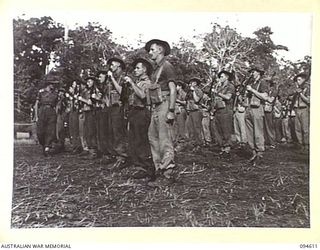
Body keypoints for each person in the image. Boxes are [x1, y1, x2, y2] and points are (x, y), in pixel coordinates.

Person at [145, 39, 177, 182]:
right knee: (153, 138)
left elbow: (172, 89)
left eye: (152, 49)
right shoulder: (156, 69)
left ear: (160, 50)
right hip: (156, 106)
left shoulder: (167, 66)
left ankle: (167, 171)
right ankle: (158, 168)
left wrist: (171, 110)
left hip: (164, 104)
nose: (150, 52)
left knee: (165, 140)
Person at [123, 58, 155, 180]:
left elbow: (142, 96)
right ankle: (139, 166)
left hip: (142, 112)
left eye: (138, 68)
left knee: (141, 140)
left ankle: (146, 167)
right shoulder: (138, 82)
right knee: (134, 140)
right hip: (134, 112)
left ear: (144, 69)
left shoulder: (147, 82)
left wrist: (131, 83)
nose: (135, 70)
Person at [244, 67, 269, 165]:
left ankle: (260, 154)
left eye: (253, 72)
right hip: (249, 108)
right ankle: (253, 152)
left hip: (257, 109)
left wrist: (252, 90)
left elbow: (265, 97)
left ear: (258, 73)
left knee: (258, 131)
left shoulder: (262, 83)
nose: (251, 74)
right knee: (249, 132)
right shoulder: (251, 83)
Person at [106, 57, 128, 168]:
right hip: (111, 108)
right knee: (112, 132)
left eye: (113, 64)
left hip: (120, 108)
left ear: (119, 65)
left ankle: (122, 157)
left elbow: (121, 91)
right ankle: (115, 155)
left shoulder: (123, 78)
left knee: (119, 132)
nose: (111, 67)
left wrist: (112, 79)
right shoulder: (111, 79)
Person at [34, 75, 59, 156]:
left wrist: (56, 114)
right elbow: (36, 104)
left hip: (51, 112)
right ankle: (44, 145)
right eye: (52, 84)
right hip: (42, 111)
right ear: (48, 84)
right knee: (40, 132)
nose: (53, 85)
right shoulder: (41, 92)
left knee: (50, 130)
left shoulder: (56, 93)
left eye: (54, 84)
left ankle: (47, 148)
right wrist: (36, 116)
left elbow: (57, 105)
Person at [212, 70, 235, 155]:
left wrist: (217, 93)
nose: (220, 78)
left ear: (226, 77)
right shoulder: (219, 86)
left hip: (226, 110)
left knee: (226, 129)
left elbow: (228, 97)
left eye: (221, 77)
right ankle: (222, 146)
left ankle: (227, 147)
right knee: (218, 129)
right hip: (218, 110)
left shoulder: (230, 86)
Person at [288, 73, 310, 153]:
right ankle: (301, 145)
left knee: (305, 129)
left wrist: (300, 93)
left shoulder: (307, 88)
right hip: (297, 110)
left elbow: (308, 100)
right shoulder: (297, 89)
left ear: (304, 80)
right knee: (297, 129)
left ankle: (307, 146)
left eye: (299, 80)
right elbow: (291, 98)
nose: (297, 81)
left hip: (304, 109)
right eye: (297, 80)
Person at [185, 77, 204, 149]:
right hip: (191, 111)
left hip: (197, 111)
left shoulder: (199, 91)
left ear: (195, 83)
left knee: (197, 128)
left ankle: (199, 144)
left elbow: (196, 100)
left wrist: (193, 92)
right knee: (191, 128)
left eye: (191, 82)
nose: (190, 84)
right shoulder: (189, 92)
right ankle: (194, 144)